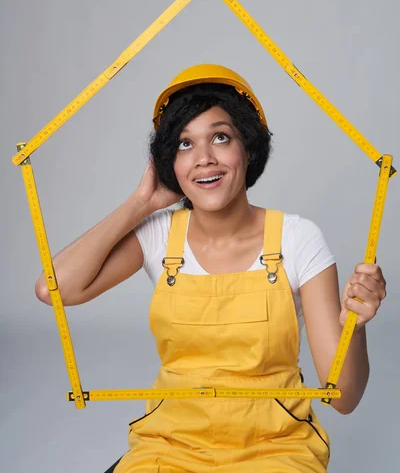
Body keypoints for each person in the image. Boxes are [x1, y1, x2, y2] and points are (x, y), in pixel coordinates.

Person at [35, 64, 387, 472]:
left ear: (248, 148)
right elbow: (53, 288)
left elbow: (342, 398)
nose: (204, 158)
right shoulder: (158, 235)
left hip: (275, 449)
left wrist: (354, 328)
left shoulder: (298, 238)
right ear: (169, 163)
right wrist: (142, 203)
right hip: (169, 446)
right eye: (184, 145)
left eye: (220, 137)